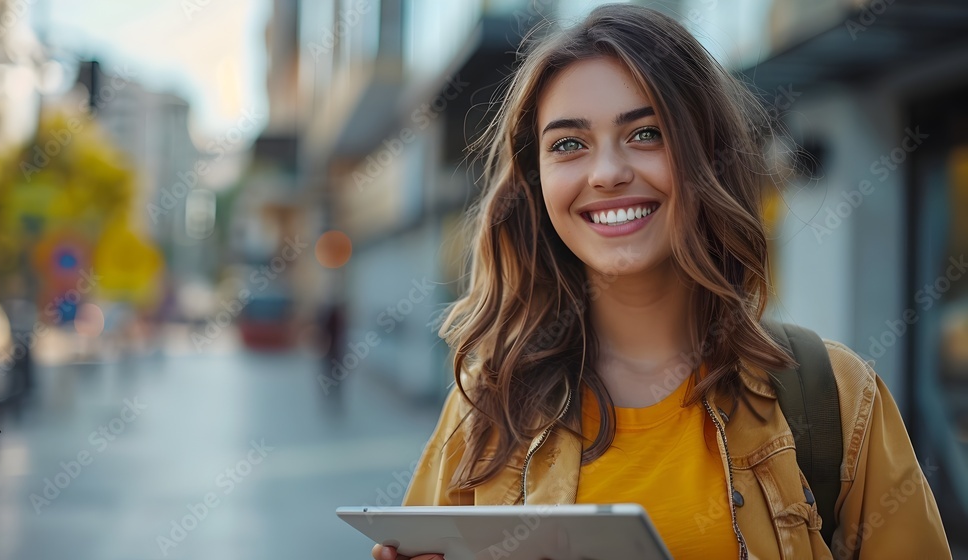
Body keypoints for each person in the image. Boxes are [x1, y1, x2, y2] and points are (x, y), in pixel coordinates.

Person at [370, 4, 951, 559]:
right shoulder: (487, 404)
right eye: (568, 145)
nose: (607, 173)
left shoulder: (837, 396)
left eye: (646, 133)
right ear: (536, 180)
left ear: (708, 153)